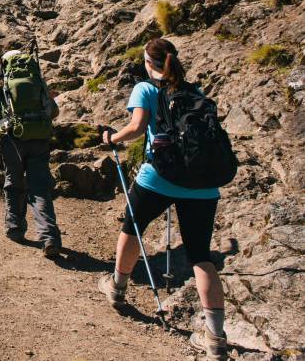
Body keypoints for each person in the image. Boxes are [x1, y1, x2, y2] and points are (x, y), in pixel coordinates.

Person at [97, 38, 227, 360]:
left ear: (149, 63)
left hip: (160, 177)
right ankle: (215, 339)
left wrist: (111, 138)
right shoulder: (195, 92)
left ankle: (117, 287)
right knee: (201, 256)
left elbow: (138, 127)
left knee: (132, 227)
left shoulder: (145, 89)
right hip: (204, 184)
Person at [0, 49, 62, 258]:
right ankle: (49, 238)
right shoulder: (37, 81)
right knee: (40, 187)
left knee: (14, 182)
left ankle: (15, 228)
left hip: (12, 139)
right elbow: (54, 111)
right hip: (39, 138)